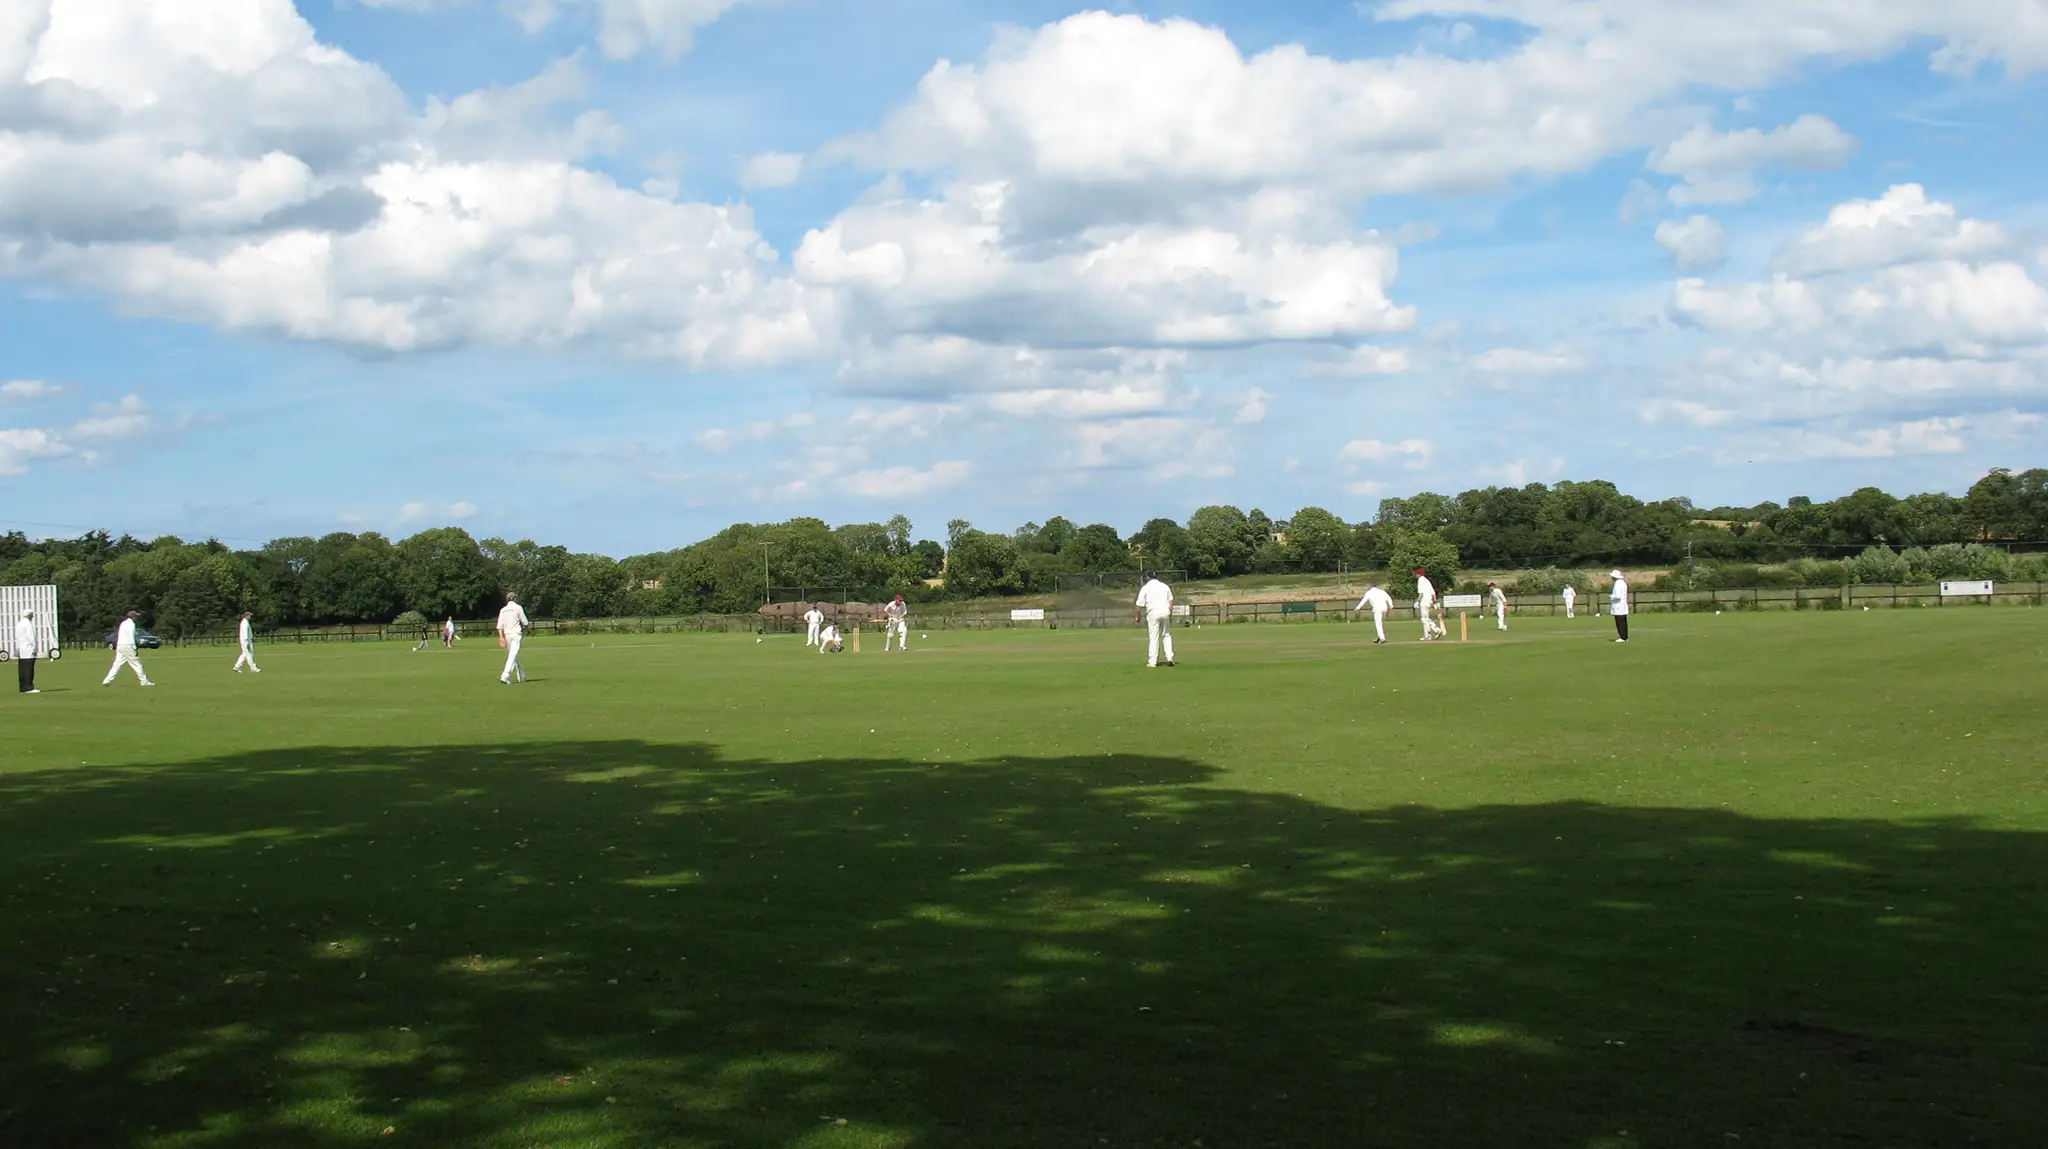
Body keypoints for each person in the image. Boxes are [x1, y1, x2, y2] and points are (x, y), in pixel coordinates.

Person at [1134, 570, 1177, 668]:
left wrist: (1137, 616)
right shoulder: (1165, 586)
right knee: (1166, 634)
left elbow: (1139, 605)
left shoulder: (1145, 588)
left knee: (1154, 637)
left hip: (1153, 612)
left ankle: (1152, 662)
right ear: (1158, 576)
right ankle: (1169, 658)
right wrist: (1169, 614)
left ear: (1148, 577)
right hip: (1165, 611)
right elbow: (1171, 602)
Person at [103, 610, 154, 687]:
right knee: (137, 665)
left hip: (120, 645)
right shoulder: (131, 624)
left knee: (116, 665)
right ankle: (144, 682)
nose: (137, 618)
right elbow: (131, 636)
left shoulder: (123, 623)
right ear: (133, 617)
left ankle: (107, 680)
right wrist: (134, 648)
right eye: (136, 616)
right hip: (128, 645)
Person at [497, 592, 530, 683]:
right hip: (516, 634)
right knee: (512, 655)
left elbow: (500, 625)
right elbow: (524, 622)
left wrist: (501, 637)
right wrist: (529, 630)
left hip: (507, 635)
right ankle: (505, 675)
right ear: (515, 598)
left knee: (513, 655)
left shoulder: (503, 610)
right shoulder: (518, 608)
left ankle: (521, 676)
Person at [15, 608, 40, 694]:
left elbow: (17, 637)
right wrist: (35, 648)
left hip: (21, 649)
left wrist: (17, 648)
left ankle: (22, 687)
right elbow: (31, 637)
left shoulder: (19, 624)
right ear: (30, 615)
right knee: (29, 669)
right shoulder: (28, 624)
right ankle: (29, 687)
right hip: (28, 648)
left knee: (22, 669)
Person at [1413, 568, 1442, 641]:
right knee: (1426, 618)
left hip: (1424, 601)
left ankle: (1432, 633)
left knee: (1424, 619)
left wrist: (1417, 601)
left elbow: (1421, 593)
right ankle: (1430, 633)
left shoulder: (1420, 580)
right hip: (1429, 601)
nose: (1415, 575)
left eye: (1416, 574)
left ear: (1419, 574)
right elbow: (1433, 593)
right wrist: (1435, 602)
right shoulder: (1427, 581)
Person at [1609, 569, 1630, 643]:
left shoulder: (1617, 584)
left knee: (1619, 622)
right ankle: (1625, 636)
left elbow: (1617, 596)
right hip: (1623, 605)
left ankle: (1622, 637)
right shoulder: (1623, 583)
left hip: (1618, 605)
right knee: (1624, 622)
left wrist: (1611, 596)